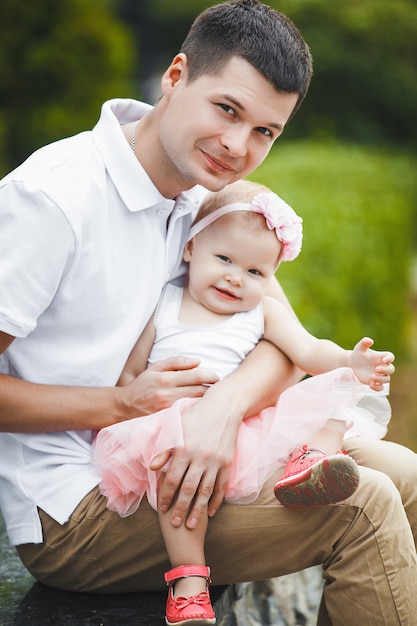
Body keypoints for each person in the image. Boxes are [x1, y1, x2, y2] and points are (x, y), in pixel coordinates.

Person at [0, 1, 416, 625]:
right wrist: (123, 405)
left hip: (202, 452)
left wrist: (221, 411)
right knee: (364, 508)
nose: (236, 146)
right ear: (175, 76)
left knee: (407, 474)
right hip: (75, 505)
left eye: (265, 132)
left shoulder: (208, 199)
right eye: (227, 109)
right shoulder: (52, 200)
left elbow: (279, 341)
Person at [92, 179, 395, 625]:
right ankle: (189, 582)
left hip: (244, 424)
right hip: (178, 424)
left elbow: (309, 352)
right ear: (191, 249)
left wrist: (352, 360)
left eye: (256, 273)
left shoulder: (262, 312)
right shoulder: (163, 305)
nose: (236, 277)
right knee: (178, 489)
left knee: (334, 398)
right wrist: (136, 398)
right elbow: (132, 374)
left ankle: (312, 461)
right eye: (225, 259)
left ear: (271, 279)